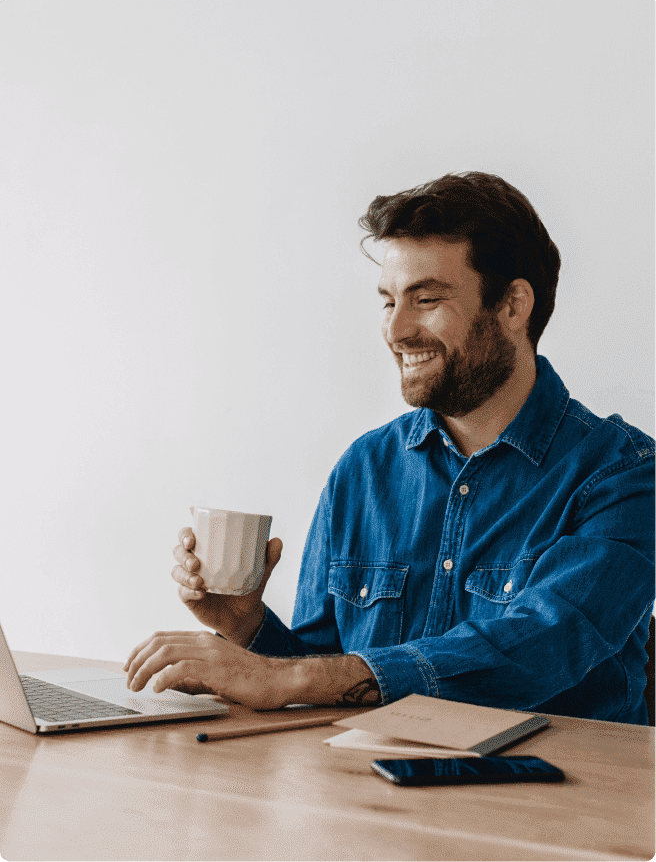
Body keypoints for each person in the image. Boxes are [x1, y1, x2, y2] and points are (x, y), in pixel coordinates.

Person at [124, 172, 655, 723]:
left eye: (426, 299)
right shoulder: (364, 470)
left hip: (559, 800)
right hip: (376, 796)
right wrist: (244, 626)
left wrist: (288, 676)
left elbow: (541, 647)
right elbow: (320, 677)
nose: (397, 330)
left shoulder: (625, 476)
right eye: (387, 302)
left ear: (514, 306)